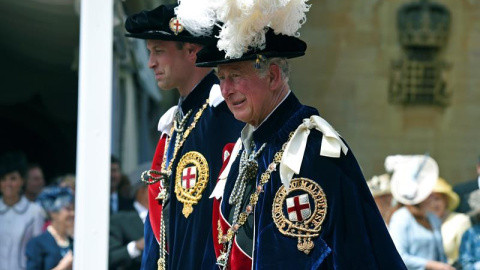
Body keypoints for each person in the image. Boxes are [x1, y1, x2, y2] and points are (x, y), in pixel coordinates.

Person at [175, 1, 407, 268]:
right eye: (222, 78)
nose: (226, 90)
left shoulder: (312, 150)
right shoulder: (246, 146)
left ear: (273, 77)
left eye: (236, 76)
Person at [124, 4, 243, 269]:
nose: (150, 63)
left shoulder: (223, 114)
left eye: (158, 51)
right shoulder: (178, 120)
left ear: (191, 50)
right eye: (149, 52)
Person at [387, 155, 454, 270]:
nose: (431, 197)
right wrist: (432, 265)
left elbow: (440, 254)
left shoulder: (432, 218)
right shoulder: (401, 218)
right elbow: (398, 256)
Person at [0, 152, 44, 270]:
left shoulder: (34, 212)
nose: (8, 184)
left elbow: (37, 251)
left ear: (22, 181)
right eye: (3, 179)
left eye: (13, 179)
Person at [26, 186, 75, 270]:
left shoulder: (74, 242)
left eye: (73, 209)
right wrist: (63, 266)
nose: (73, 213)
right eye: (68, 209)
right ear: (53, 212)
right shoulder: (37, 243)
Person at [427, 177, 471, 266]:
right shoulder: (423, 223)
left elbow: (467, 257)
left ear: (446, 200)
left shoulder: (460, 221)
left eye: (437, 199)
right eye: (428, 200)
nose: (433, 204)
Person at [108, 181, 148, 270]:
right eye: (156, 188)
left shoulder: (165, 216)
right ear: (142, 191)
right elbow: (110, 258)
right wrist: (136, 246)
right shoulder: (120, 218)